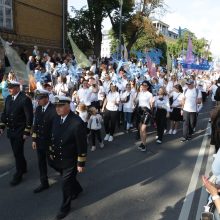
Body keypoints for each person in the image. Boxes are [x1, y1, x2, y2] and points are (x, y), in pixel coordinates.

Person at [48, 96, 87, 219]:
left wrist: (81, 163)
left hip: (71, 159)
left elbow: (82, 144)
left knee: (65, 183)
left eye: (60, 106)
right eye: (56, 106)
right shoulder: (56, 119)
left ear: (68, 106)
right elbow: (53, 136)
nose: (57, 109)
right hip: (58, 157)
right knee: (67, 179)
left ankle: (65, 207)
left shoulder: (77, 122)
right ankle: (78, 189)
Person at [0, 80, 33, 186]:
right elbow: (5, 113)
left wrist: (27, 131)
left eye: (11, 87)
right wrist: (2, 126)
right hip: (11, 130)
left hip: (20, 131)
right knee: (16, 151)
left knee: (17, 152)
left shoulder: (24, 99)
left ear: (17, 88)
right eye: (8, 87)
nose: (9, 89)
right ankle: (23, 167)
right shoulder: (9, 98)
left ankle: (18, 174)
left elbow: (29, 117)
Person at [32, 89, 57, 193]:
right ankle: (44, 183)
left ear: (46, 98)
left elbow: (56, 129)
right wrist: (34, 139)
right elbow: (36, 125)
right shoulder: (38, 109)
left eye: (40, 99)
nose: (38, 101)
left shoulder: (54, 109)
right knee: (41, 162)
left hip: (50, 143)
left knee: (52, 163)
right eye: (37, 99)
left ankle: (65, 173)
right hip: (39, 141)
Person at [136, 81, 154, 151]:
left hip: (146, 112)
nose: (143, 86)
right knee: (140, 129)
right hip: (140, 111)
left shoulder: (149, 94)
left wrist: (151, 112)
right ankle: (142, 143)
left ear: (148, 86)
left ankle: (144, 144)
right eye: (142, 85)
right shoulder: (140, 93)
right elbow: (137, 101)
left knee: (143, 129)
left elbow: (151, 105)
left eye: (145, 85)